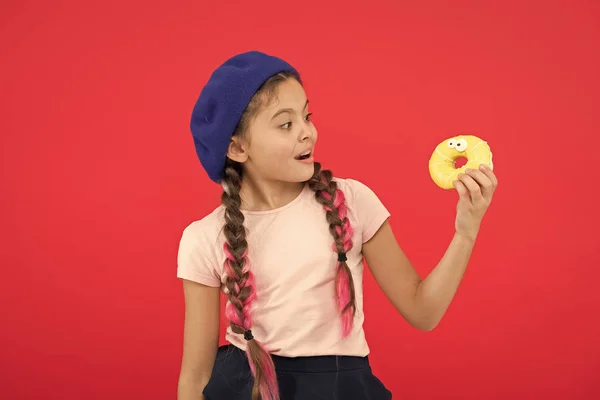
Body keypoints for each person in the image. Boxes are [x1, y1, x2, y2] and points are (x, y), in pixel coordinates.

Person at [176, 51, 498, 400]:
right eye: (286, 124)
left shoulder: (353, 202)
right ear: (237, 147)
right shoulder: (204, 238)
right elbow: (195, 378)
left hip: (340, 389)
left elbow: (423, 312)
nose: (307, 133)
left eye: (306, 116)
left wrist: (466, 230)